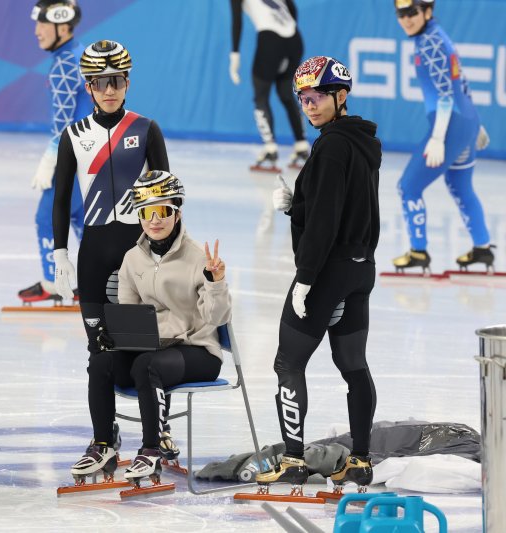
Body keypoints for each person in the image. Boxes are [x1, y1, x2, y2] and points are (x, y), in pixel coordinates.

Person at [51, 40, 178, 459]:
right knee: (98, 355)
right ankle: (104, 439)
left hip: (139, 254)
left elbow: (168, 198)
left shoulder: (145, 129)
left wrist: (173, 255)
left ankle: (156, 436)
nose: (110, 89)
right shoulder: (74, 136)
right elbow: (60, 197)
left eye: (118, 81)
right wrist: (59, 251)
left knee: (148, 348)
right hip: (94, 251)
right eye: (102, 82)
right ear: (88, 86)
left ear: (128, 82)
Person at [259, 56, 381, 493]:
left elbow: (328, 218)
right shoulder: (362, 141)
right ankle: (361, 462)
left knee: (288, 362)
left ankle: (292, 460)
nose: (309, 107)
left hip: (326, 271)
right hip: (360, 269)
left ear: (341, 96)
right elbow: (350, 207)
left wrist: (307, 276)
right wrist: (298, 205)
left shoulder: (331, 146)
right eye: (303, 99)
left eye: (317, 98)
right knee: (353, 366)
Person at [70, 171, 231, 484]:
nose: (154, 220)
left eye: (162, 212)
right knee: (100, 361)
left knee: (146, 366)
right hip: (153, 346)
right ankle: (103, 444)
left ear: (177, 213)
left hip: (197, 351)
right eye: (146, 213)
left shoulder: (199, 258)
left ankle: (152, 450)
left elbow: (218, 318)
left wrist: (216, 281)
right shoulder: (132, 259)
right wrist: (113, 337)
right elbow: (130, 317)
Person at [391, 0, 493, 273]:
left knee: (408, 187)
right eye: (400, 14)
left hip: (450, 126)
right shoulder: (435, 37)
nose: (406, 19)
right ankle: (483, 248)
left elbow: (446, 94)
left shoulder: (430, 43)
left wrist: (437, 138)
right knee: (461, 186)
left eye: (411, 12)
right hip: (465, 121)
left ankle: (418, 251)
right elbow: (461, 82)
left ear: (427, 11)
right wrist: (476, 124)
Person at [19, 0, 87, 304]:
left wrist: (50, 159)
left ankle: (53, 282)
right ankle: (95, 281)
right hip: (90, 154)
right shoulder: (78, 54)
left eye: (42, 24)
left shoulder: (64, 64)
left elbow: (62, 124)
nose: (36, 32)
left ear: (62, 25)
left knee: (47, 218)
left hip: (73, 157)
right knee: (82, 219)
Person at [229, 0, 308, 170]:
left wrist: (235, 55)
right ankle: (302, 146)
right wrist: (288, 31)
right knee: (287, 94)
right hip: (295, 39)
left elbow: (237, 20)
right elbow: (292, 7)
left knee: (261, 96)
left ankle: (270, 149)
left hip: (270, 40)